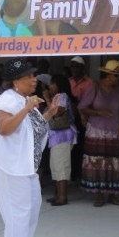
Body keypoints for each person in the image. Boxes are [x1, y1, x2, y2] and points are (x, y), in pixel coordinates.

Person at [0, 57, 60, 237]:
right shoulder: (8, 101)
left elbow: (31, 128)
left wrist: (49, 113)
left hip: (23, 163)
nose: (34, 79)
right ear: (15, 81)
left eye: (33, 75)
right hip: (7, 163)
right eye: (29, 76)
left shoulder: (23, 99)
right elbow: (4, 128)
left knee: (33, 205)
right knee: (18, 210)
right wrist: (26, 109)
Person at [79, 60, 119, 207]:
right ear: (108, 75)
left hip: (115, 130)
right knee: (98, 162)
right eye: (116, 75)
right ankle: (99, 194)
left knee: (115, 162)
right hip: (97, 129)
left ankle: (114, 194)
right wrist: (98, 113)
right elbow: (82, 107)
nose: (118, 79)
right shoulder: (95, 86)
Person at [44, 74, 78, 206]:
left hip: (62, 136)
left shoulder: (62, 96)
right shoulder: (56, 97)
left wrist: (47, 98)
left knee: (61, 166)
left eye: (52, 84)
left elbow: (57, 112)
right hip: (55, 137)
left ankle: (62, 196)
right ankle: (57, 194)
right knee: (55, 166)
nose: (49, 86)